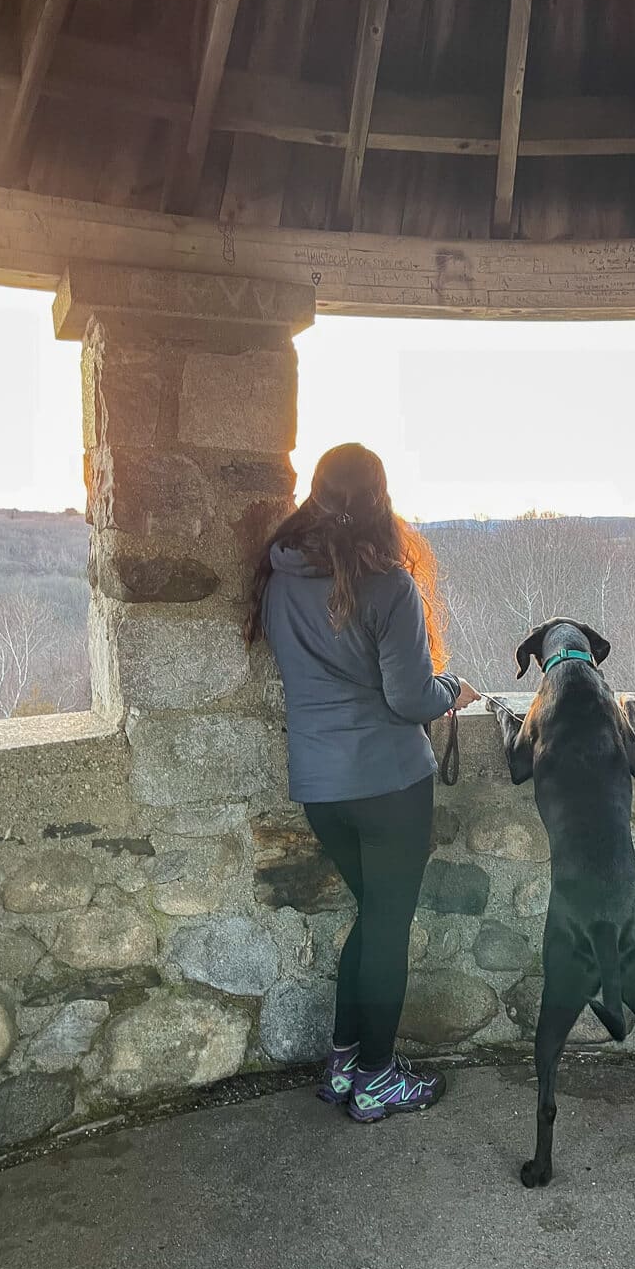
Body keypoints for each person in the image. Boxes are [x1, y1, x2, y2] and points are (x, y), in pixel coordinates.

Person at [245, 443, 480, 1123]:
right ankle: (376, 1079)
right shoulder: (387, 584)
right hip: (387, 782)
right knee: (387, 925)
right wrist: (451, 689)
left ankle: (347, 1060)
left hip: (320, 787)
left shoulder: (280, 573)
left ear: (315, 496)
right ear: (381, 500)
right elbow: (409, 698)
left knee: (371, 919)